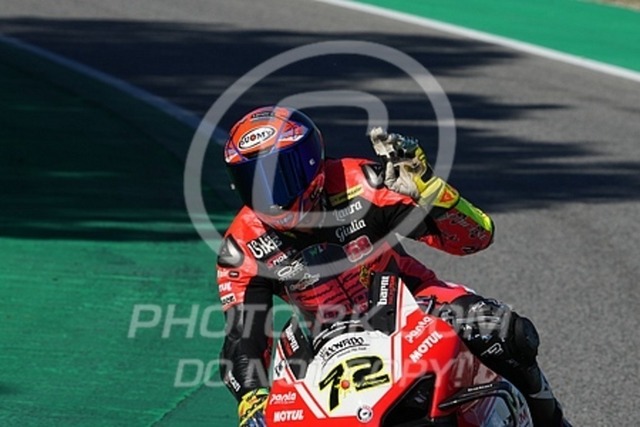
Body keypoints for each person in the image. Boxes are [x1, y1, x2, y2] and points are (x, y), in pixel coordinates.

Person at [216, 106, 569, 426]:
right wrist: (251, 397)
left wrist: (431, 192)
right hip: (323, 337)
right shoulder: (241, 245)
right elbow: (243, 335)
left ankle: (553, 422)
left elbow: (476, 238)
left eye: (280, 177)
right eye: (253, 182)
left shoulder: (363, 184)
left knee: (503, 332)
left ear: (311, 162)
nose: (271, 197)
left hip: (412, 302)